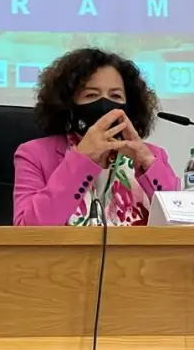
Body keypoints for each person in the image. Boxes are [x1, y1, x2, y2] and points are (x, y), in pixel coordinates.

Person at [13, 47, 179, 226]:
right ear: (68, 105)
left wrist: (146, 161)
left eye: (115, 95)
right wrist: (82, 158)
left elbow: (185, 224)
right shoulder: (34, 155)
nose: (105, 104)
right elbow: (27, 230)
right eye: (91, 95)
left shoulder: (153, 156)